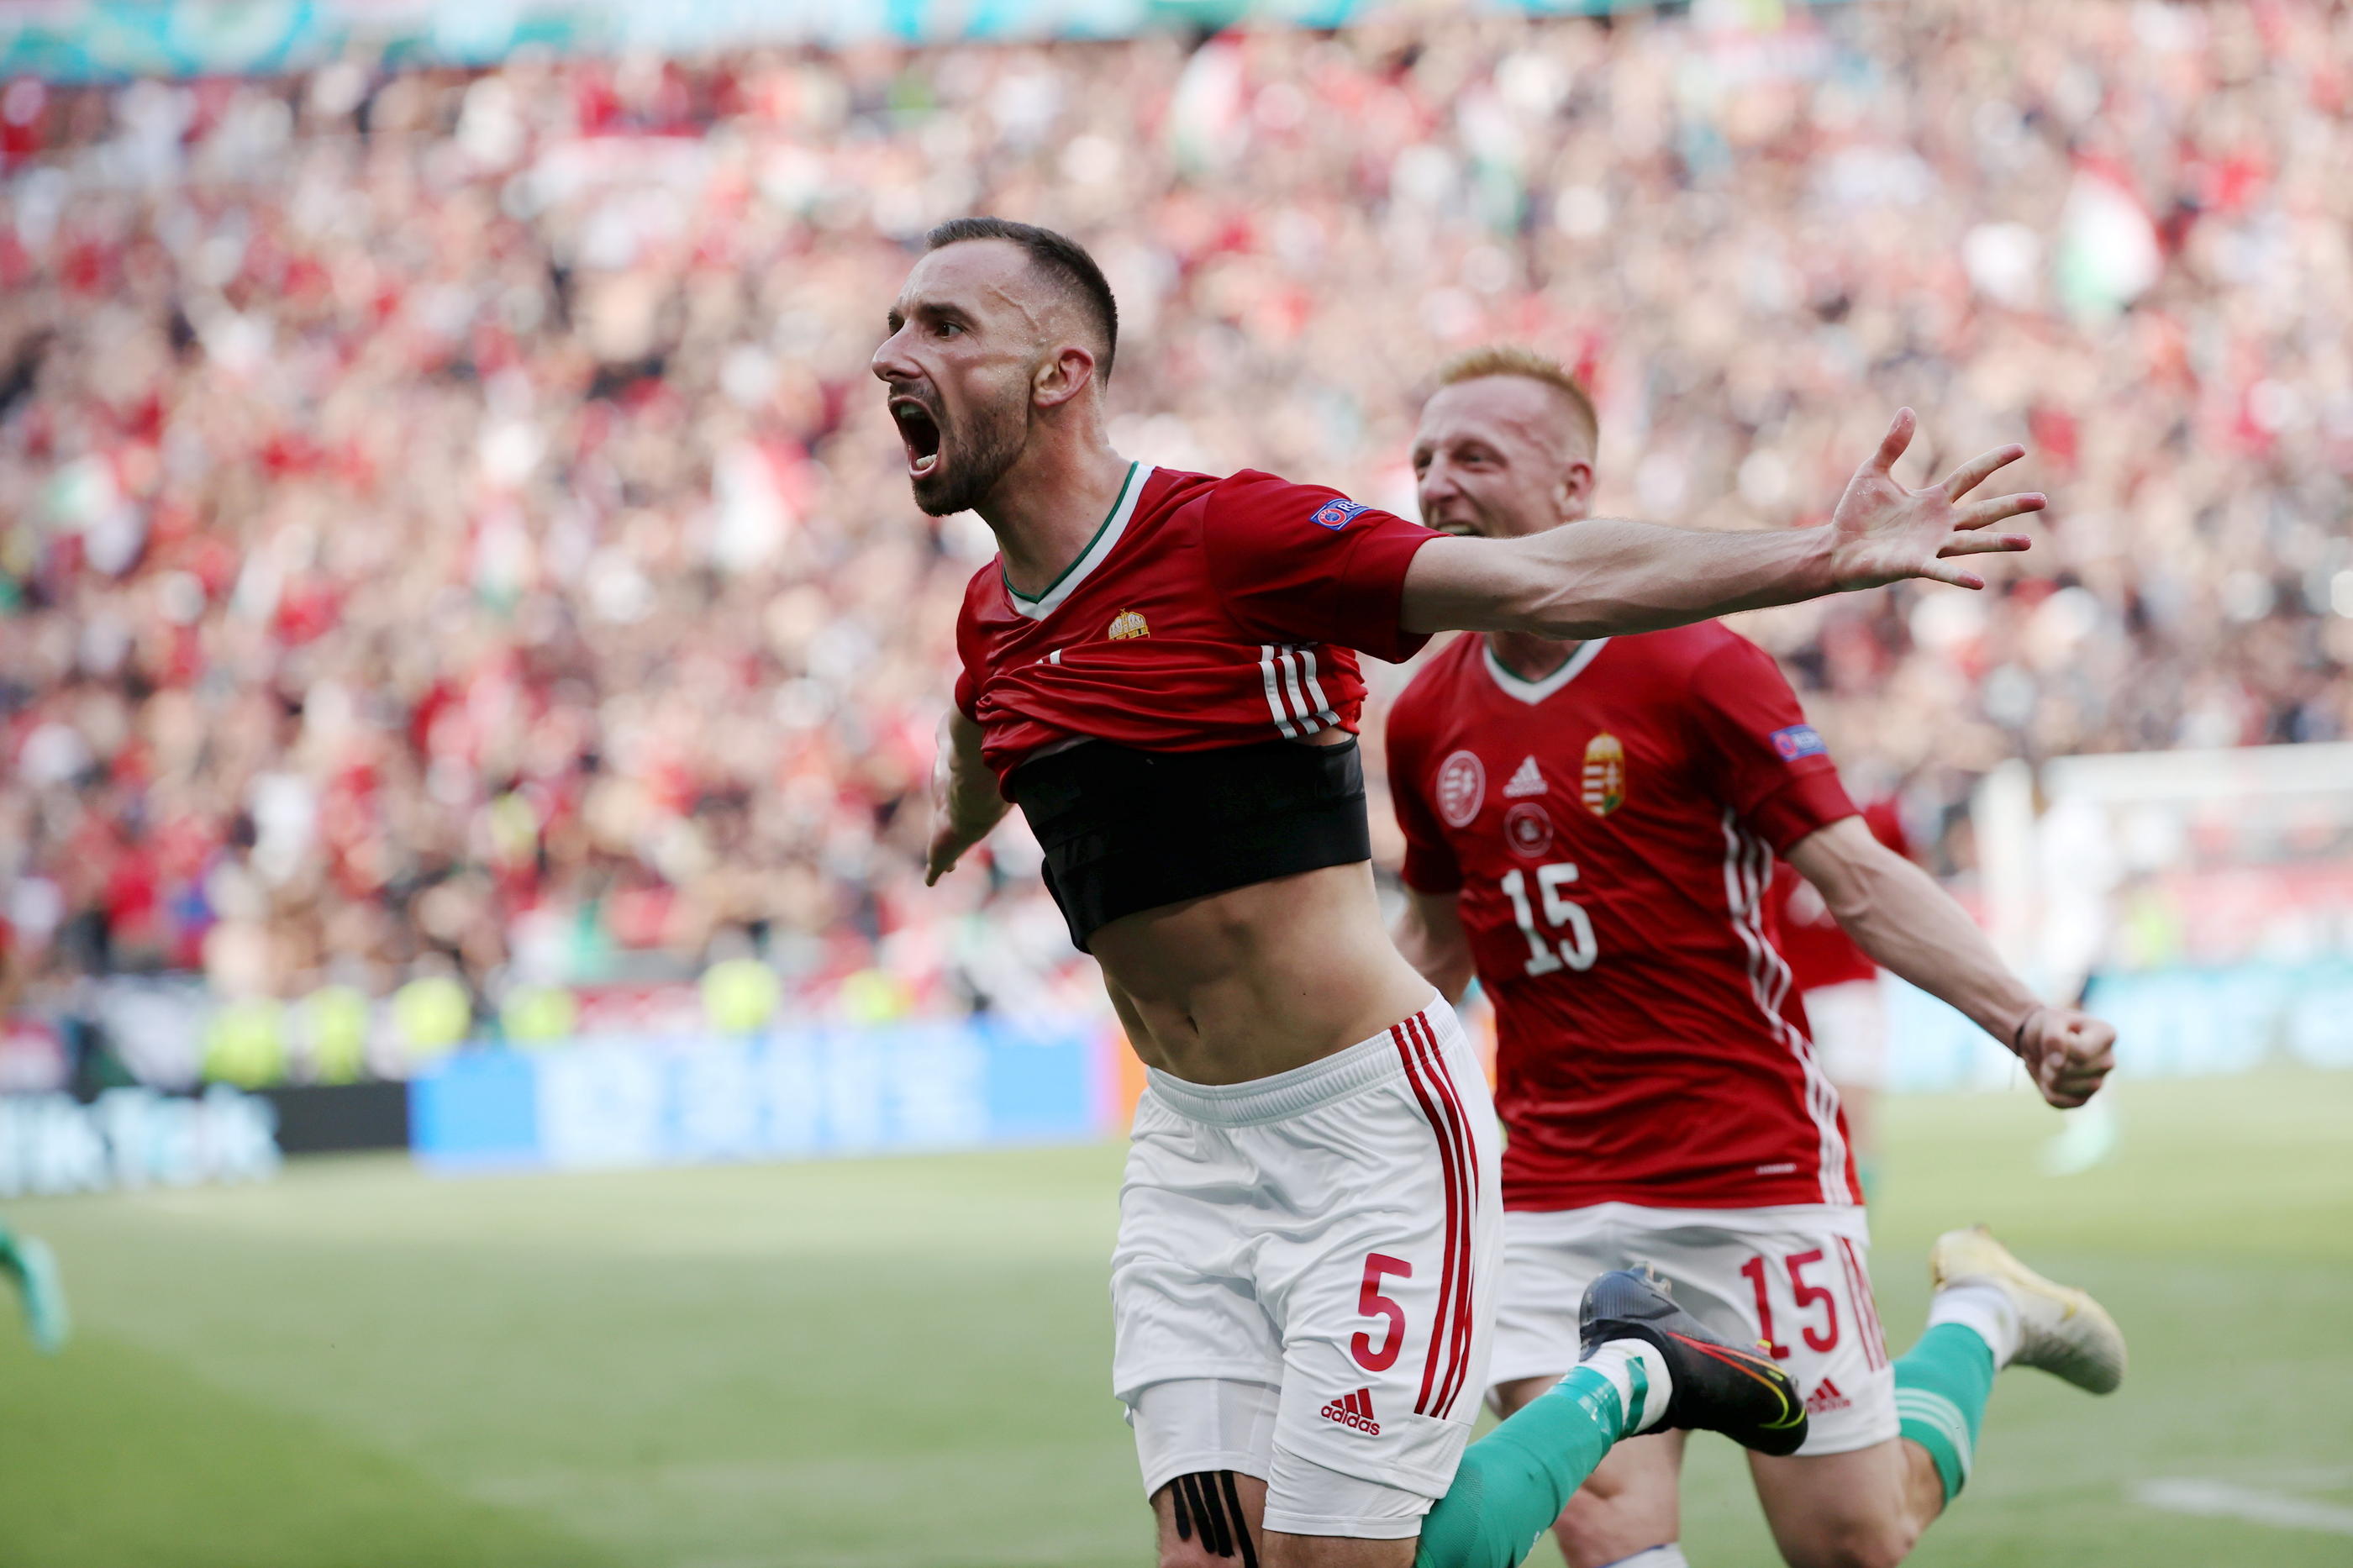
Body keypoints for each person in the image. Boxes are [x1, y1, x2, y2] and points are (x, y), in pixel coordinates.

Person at [882, 218, 2046, 1568]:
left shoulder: (1230, 536)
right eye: (900, 323)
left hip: (1367, 1137)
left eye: (943, 326)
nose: (892, 353)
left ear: (1062, 372)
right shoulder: (991, 615)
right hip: (1192, 1154)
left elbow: (1543, 574)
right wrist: (953, 824)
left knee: (1387, 1561)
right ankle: (1640, 1374)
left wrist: (1813, 556)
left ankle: (1632, 1379)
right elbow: (982, 728)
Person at [1385, 347, 2123, 1568]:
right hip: (1552, 1193)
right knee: (1610, 1534)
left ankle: (1982, 1313)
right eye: (1421, 459)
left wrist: (2027, 1021)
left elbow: (1860, 880)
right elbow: (1432, 942)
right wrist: (1313, 1096)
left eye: (1474, 456)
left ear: (1575, 488)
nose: (1434, 485)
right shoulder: (1423, 713)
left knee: (1854, 1542)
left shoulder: (1693, 661)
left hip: (1746, 1164)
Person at [1767, 799, 1913, 1196]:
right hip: (1780, 991)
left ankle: (1857, 1238)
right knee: (1785, 1123)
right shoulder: (1758, 811)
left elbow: (1908, 886)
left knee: (1853, 1117)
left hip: (1850, 988)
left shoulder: (1876, 814)